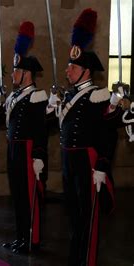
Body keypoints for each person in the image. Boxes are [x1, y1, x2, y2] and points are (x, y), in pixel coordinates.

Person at [45, 9, 131, 265]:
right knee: (73, 213)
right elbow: (52, 126)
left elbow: (109, 134)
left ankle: (88, 260)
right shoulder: (69, 96)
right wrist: (51, 107)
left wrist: (103, 165)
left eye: (73, 66)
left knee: (89, 214)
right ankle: (76, 256)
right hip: (69, 160)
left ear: (86, 71)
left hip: (88, 161)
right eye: (69, 65)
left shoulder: (99, 95)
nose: (67, 70)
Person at [0, 21, 48, 254]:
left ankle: (32, 239)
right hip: (14, 149)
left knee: (30, 197)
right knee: (18, 196)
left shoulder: (37, 96)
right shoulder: (15, 96)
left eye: (17, 71)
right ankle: (21, 236)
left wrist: (38, 155)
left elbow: (40, 129)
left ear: (27, 74)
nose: (13, 75)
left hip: (28, 149)